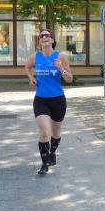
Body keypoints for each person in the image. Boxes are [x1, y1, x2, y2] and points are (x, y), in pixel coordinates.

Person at [25, 29, 73, 175]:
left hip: (58, 100)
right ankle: (44, 164)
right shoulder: (35, 56)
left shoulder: (61, 57)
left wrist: (61, 69)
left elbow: (69, 79)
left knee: (56, 133)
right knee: (44, 131)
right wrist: (31, 78)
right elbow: (27, 67)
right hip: (41, 100)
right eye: (42, 36)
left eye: (47, 35)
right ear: (40, 40)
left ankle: (52, 153)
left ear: (52, 40)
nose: (44, 37)